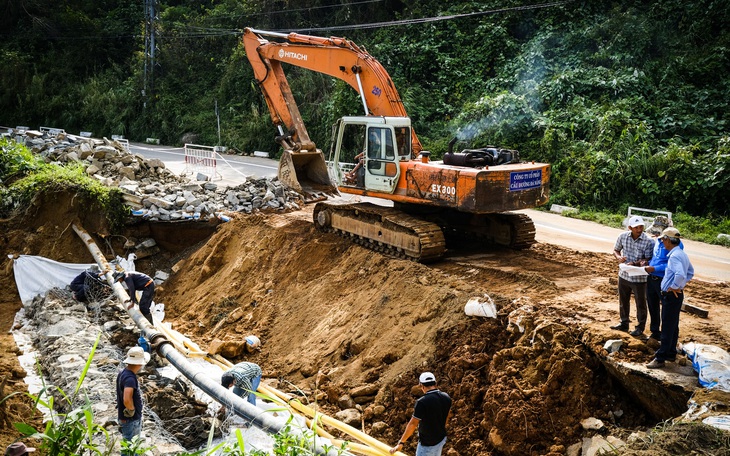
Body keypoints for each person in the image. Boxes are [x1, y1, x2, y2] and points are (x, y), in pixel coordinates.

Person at [646, 228, 694, 369]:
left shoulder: (674, 256)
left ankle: (660, 358)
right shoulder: (681, 254)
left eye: (663, 239)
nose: (662, 242)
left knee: (667, 326)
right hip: (676, 294)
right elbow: (690, 272)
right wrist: (680, 286)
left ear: (668, 240)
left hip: (671, 295)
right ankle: (671, 353)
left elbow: (680, 274)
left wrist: (674, 286)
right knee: (673, 325)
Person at [610, 215, 654, 336]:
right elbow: (616, 250)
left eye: (641, 227)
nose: (639, 230)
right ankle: (624, 323)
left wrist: (636, 263)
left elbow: (648, 259)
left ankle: (640, 327)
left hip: (639, 277)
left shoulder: (648, 241)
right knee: (623, 300)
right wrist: (619, 257)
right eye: (636, 228)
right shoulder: (623, 237)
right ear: (630, 228)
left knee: (640, 303)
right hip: (624, 274)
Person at [390, 372, 452, 456]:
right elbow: (447, 416)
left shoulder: (422, 402)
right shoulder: (446, 397)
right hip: (441, 439)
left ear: (421, 386)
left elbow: (413, 424)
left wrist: (401, 443)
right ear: (435, 383)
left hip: (427, 444)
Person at [643, 216, 683, 341]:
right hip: (652, 278)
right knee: (652, 306)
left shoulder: (676, 246)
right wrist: (646, 263)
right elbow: (655, 259)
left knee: (668, 312)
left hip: (664, 280)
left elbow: (671, 265)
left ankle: (668, 339)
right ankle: (655, 332)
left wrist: (655, 268)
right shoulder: (657, 241)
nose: (655, 233)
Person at [116, 346, 150, 455]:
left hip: (125, 418)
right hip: (131, 420)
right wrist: (132, 410)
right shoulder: (130, 379)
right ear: (140, 363)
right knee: (131, 447)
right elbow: (127, 399)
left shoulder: (123, 373)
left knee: (128, 444)